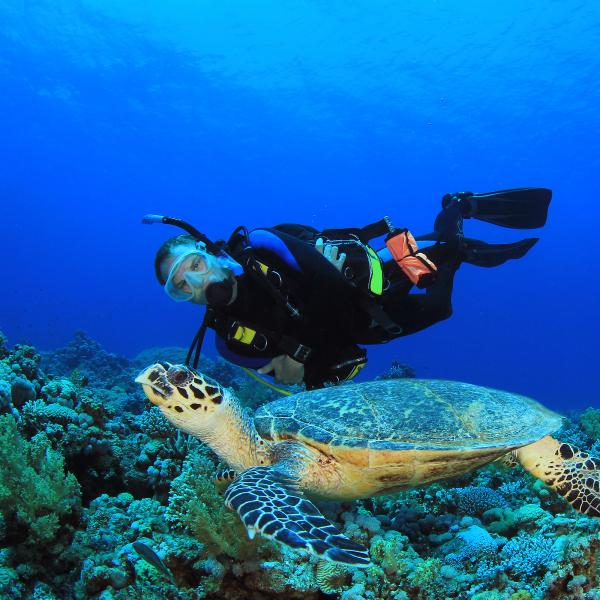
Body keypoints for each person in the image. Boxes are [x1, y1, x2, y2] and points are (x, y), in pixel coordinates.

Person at [147, 188, 551, 389]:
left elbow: (329, 286)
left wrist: (301, 355)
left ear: (210, 253)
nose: (198, 282)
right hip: (359, 331)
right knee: (438, 300)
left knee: (436, 293)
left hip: (361, 296)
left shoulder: (261, 245)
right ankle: (451, 246)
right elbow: (297, 380)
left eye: (195, 266)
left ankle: (456, 213)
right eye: (182, 286)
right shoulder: (226, 344)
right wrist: (303, 362)